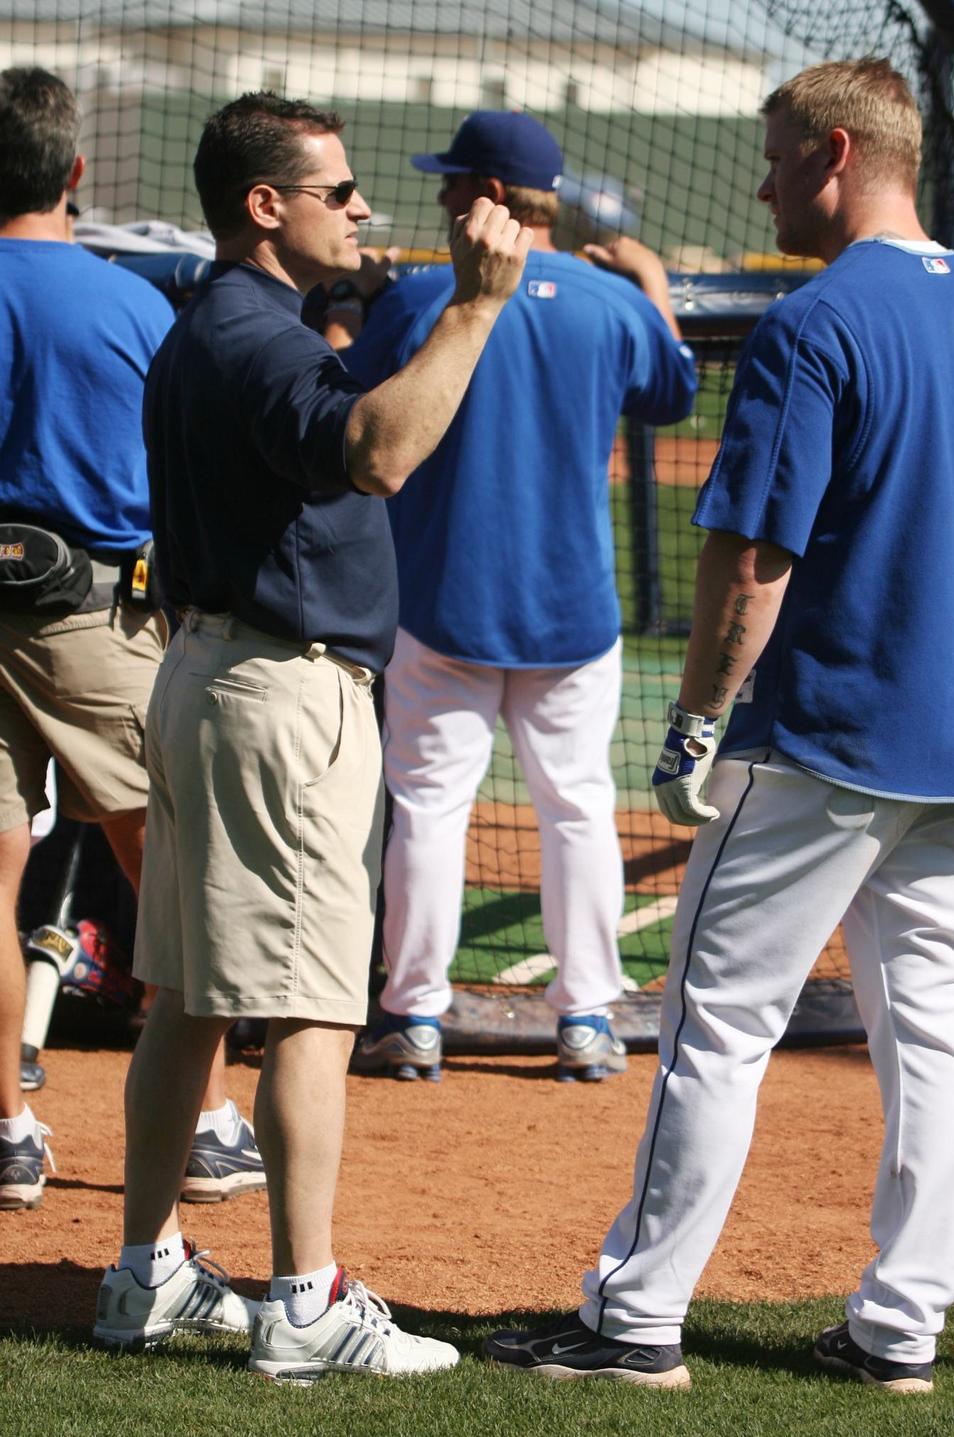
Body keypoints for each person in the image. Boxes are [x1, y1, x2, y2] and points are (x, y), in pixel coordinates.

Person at [483, 58, 954, 1392]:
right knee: (930, 1033)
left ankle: (634, 1320)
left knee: (715, 1027)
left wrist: (696, 718)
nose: (763, 189)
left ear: (836, 152)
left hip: (825, 736)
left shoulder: (816, 322)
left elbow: (755, 558)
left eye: (775, 161)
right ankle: (901, 1329)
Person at [92, 91, 531, 1379]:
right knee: (310, 1008)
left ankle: (145, 1277)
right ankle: (304, 1304)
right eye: (337, 191)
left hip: (210, 675)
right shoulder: (254, 336)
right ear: (265, 205)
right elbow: (378, 453)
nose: (361, 208)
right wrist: (474, 309)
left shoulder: (217, 324)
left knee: (187, 999)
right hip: (280, 697)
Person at [338, 111, 696, 1083]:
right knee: (578, 808)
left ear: (493, 194)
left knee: (427, 809)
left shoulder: (425, 298)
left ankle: (414, 1015)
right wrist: (654, 286)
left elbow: (345, 397)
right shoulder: (610, 302)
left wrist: (361, 302)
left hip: (440, 604)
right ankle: (587, 1017)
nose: (445, 196)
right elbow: (674, 393)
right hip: (572, 614)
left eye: (456, 181)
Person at [0, 67, 262, 1215]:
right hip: (97, 618)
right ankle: (203, 1125)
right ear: (74, 171)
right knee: (173, 874)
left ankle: (6, 1134)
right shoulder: (133, 306)